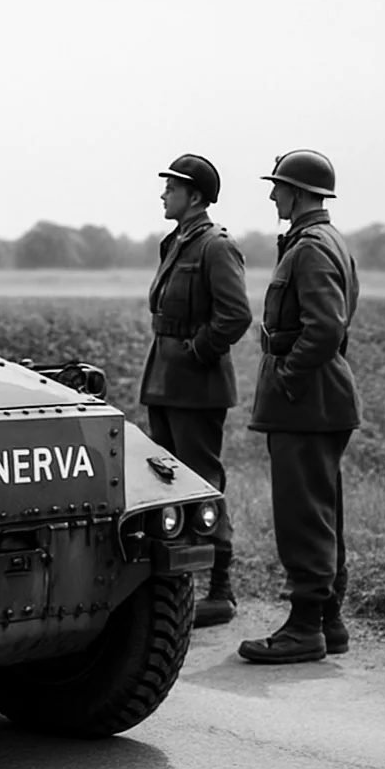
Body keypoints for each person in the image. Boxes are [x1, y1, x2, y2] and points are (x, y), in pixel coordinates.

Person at [239, 149, 360, 664]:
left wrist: (288, 377)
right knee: (321, 509)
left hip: (306, 399)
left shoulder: (310, 247)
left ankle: (305, 627)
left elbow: (326, 327)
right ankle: (328, 621)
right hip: (319, 397)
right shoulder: (326, 240)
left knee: (301, 514)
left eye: (279, 187)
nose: (273, 195)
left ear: (301, 192)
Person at [138, 154, 252, 627]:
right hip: (166, 378)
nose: (164, 194)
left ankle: (220, 590)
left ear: (196, 197)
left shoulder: (215, 246)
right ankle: (175, 587)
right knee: (166, 483)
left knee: (203, 482)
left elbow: (236, 314)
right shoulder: (178, 241)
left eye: (172, 187)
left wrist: (197, 350)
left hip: (195, 382)